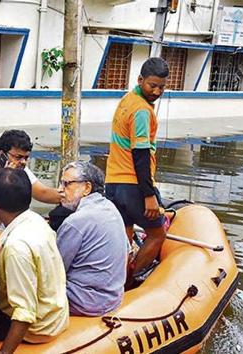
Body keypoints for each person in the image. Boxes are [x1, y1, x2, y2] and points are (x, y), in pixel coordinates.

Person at [104, 58, 169, 281]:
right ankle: (129, 283)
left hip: (113, 181)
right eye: (152, 85)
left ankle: (115, 283)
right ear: (140, 80)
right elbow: (140, 154)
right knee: (157, 234)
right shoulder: (141, 110)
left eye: (162, 86)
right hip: (133, 184)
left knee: (125, 236)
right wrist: (149, 194)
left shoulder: (127, 100)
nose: (157, 91)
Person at [0, 168, 69, 354]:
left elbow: (24, 313)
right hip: (55, 314)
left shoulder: (16, 247)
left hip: (38, 328)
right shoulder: (37, 221)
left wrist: (4, 352)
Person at [56, 161, 127, 316]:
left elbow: (56, 269)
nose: (60, 190)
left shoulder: (75, 222)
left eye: (66, 184)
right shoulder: (110, 208)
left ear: (87, 188)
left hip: (85, 302)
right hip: (112, 297)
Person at [0, 129, 62, 243]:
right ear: (2, 155)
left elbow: (42, 193)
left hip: (11, 221)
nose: (23, 162)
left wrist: (70, 196)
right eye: (18, 157)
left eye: (26, 158)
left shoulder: (19, 166)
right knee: (10, 242)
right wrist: (6, 180)